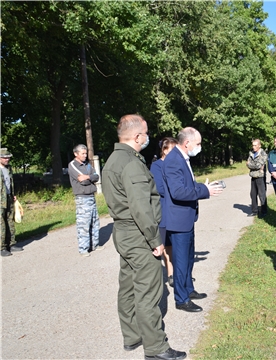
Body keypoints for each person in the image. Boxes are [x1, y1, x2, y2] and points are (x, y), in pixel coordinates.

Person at [101, 114, 186, 360]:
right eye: (146, 132)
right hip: (139, 234)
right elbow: (141, 207)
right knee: (148, 290)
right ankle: (156, 348)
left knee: (127, 286)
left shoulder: (113, 160)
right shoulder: (130, 163)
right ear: (137, 136)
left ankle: (132, 336)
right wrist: (155, 241)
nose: (148, 137)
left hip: (124, 233)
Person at [162, 127, 222, 313]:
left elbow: (186, 185)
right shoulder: (173, 160)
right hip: (178, 221)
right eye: (198, 143)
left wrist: (201, 186)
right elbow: (178, 191)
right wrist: (205, 192)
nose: (199, 147)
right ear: (187, 143)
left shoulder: (182, 158)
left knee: (188, 258)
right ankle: (181, 299)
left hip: (187, 218)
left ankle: (188, 289)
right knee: (180, 261)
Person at [150, 137, 178, 288]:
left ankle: (175, 273)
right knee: (163, 245)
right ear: (164, 150)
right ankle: (165, 275)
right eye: (172, 149)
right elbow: (159, 188)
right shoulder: (157, 166)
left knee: (173, 245)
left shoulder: (175, 164)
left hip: (175, 210)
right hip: (163, 211)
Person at [68, 144, 101, 257]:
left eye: (86, 153)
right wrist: (89, 178)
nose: (85, 155)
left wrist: (88, 177)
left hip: (91, 196)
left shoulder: (88, 165)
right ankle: (83, 249)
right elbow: (82, 181)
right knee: (84, 225)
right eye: (82, 153)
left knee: (94, 222)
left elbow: (96, 176)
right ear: (76, 154)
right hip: (82, 198)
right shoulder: (72, 165)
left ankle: (94, 244)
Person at [1, 148, 23, 257]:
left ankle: (12, 243)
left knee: (10, 221)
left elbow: (10, 183)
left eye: (8, 157)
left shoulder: (8, 168)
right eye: (4, 157)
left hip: (8, 198)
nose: (7, 159)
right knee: (1, 224)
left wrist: (13, 194)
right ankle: (2, 247)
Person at [246, 139, 268, 218]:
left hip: (260, 177)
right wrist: (252, 165)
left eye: (255, 145)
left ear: (259, 145)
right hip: (253, 176)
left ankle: (264, 211)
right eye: (253, 145)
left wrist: (250, 165)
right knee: (253, 194)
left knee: (262, 195)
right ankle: (254, 211)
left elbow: (259, 165)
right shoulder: (251, 153)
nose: (253, 147)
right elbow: (249, 164)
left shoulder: (263, 154)